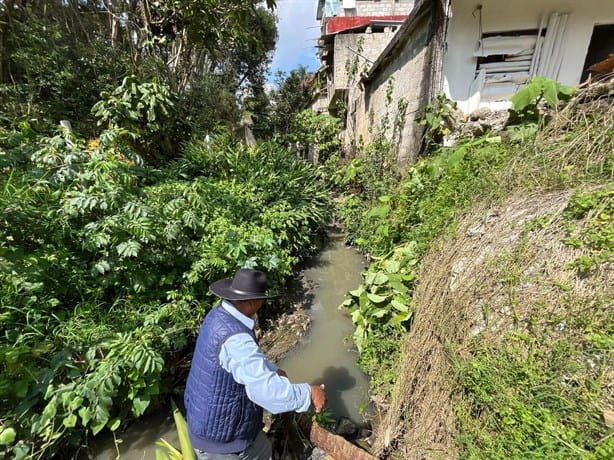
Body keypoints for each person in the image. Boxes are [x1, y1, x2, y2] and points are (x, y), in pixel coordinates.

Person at [184, 268, 327, 460]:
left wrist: (273, 370)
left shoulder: (218, 315)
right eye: (261, 299)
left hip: (204, 422)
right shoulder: (236, 339)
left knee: (263, 449)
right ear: (251, 302)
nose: (262, 304)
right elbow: (268, 392)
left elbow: (238, 364)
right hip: (223, 444)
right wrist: (310, 392)